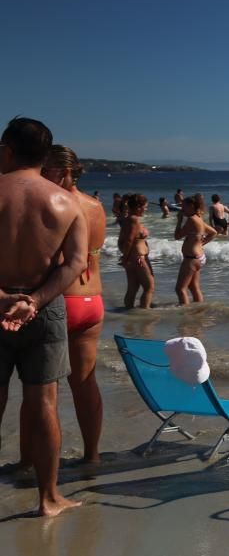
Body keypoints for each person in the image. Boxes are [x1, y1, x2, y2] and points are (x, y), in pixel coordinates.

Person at [0, 117, 87, 516]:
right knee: (44, 404)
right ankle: (48, 497)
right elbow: (75, 264)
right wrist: (34, 300)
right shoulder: (66, 202)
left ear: (8, 150)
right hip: (44, 307)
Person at [24, 146, 106, 467]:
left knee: (41, 389)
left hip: (62, 299)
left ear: (63, 171)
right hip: (93, 302)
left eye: (47, 170)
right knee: (85, 383)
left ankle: (30, 461)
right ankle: (92, 455)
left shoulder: (54, 204)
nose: (43, 176)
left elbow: (55, 260)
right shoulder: (96, 206)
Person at [174, 194, 217, 304]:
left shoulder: (192, 220)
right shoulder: (198, 219)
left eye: (184, 207)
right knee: (193, 287)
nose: (182, 209)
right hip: (198, 257)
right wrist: (201, 244)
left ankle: (186, 313)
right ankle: (198, 311)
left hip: (191, 259)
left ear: (192, 206)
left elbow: (177, 236)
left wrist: (179, 220)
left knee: (180, 289)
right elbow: (213, 233)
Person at [118, 193, 155, 308]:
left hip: (133, 258)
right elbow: (129, 240)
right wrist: (125, 257)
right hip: (138, 258)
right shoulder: (134, 220)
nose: (146, 209)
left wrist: (126, 256)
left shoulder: (129, 219)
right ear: (138, 206)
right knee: (149, 287)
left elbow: (125, 239)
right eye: (145, 206)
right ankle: (145, 314)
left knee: (133, 288)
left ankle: (128, 314)